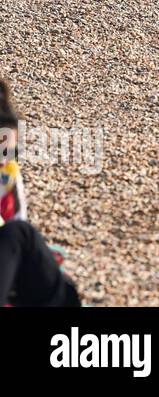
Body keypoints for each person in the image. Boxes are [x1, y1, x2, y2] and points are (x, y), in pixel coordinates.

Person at [0, 77, 82, 306]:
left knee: (19, 233)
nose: (5, 160)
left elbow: (14, 229)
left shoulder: (8, 175)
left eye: (11, 152)